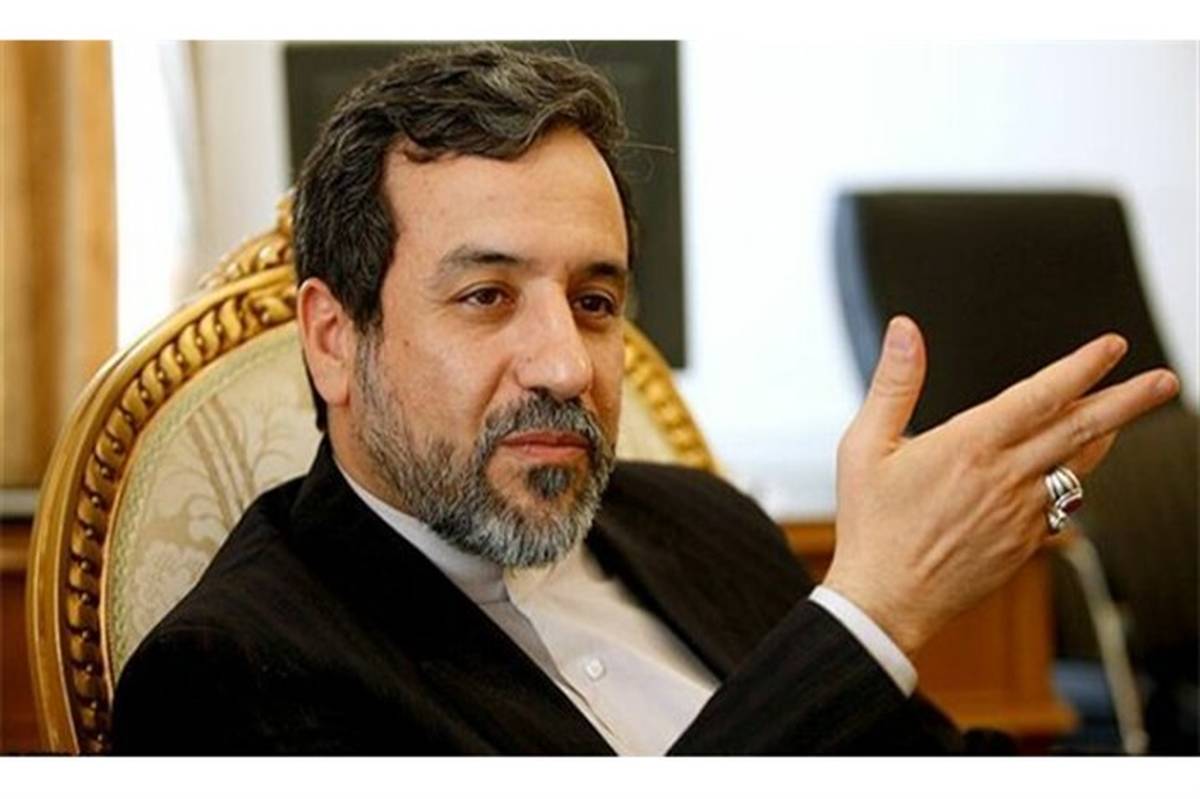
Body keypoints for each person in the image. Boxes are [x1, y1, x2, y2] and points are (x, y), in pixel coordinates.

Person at [111, 44, 1180, 754]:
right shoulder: (230, 673)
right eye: (487, 296)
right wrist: (868, 615)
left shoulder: (703, 521)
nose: (566, 366)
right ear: (335, 339)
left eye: (594, 300)